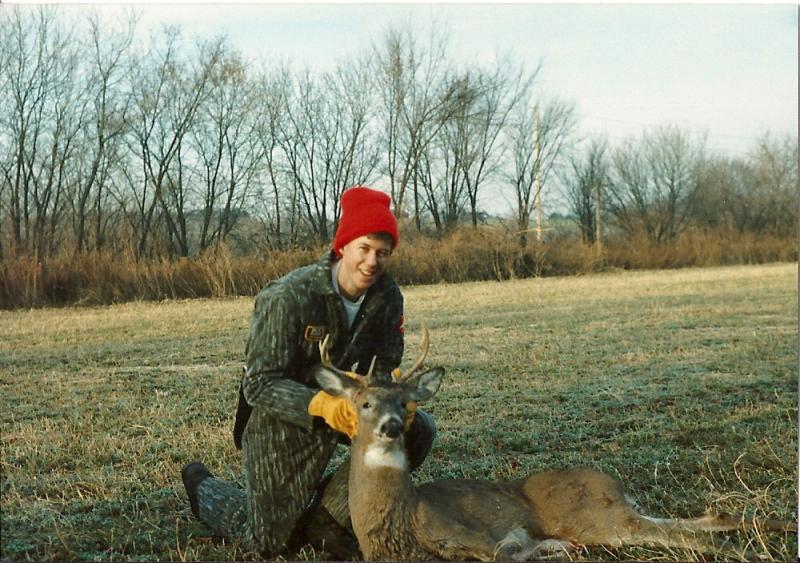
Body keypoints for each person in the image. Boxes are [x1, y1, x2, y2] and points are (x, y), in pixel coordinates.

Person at [181, 186, 436, 558]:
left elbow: (384, 365)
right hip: (280, 418)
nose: (372, 262)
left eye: (383, 253)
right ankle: (203, 488)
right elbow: (258, 383)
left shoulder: (387, 296)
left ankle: (327, 515)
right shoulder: (288, 296)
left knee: (418, 431)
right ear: (343, 246)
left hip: (352, 410)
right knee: (268, 543)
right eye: (364, 248)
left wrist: (393, 399)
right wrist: (322, 406)